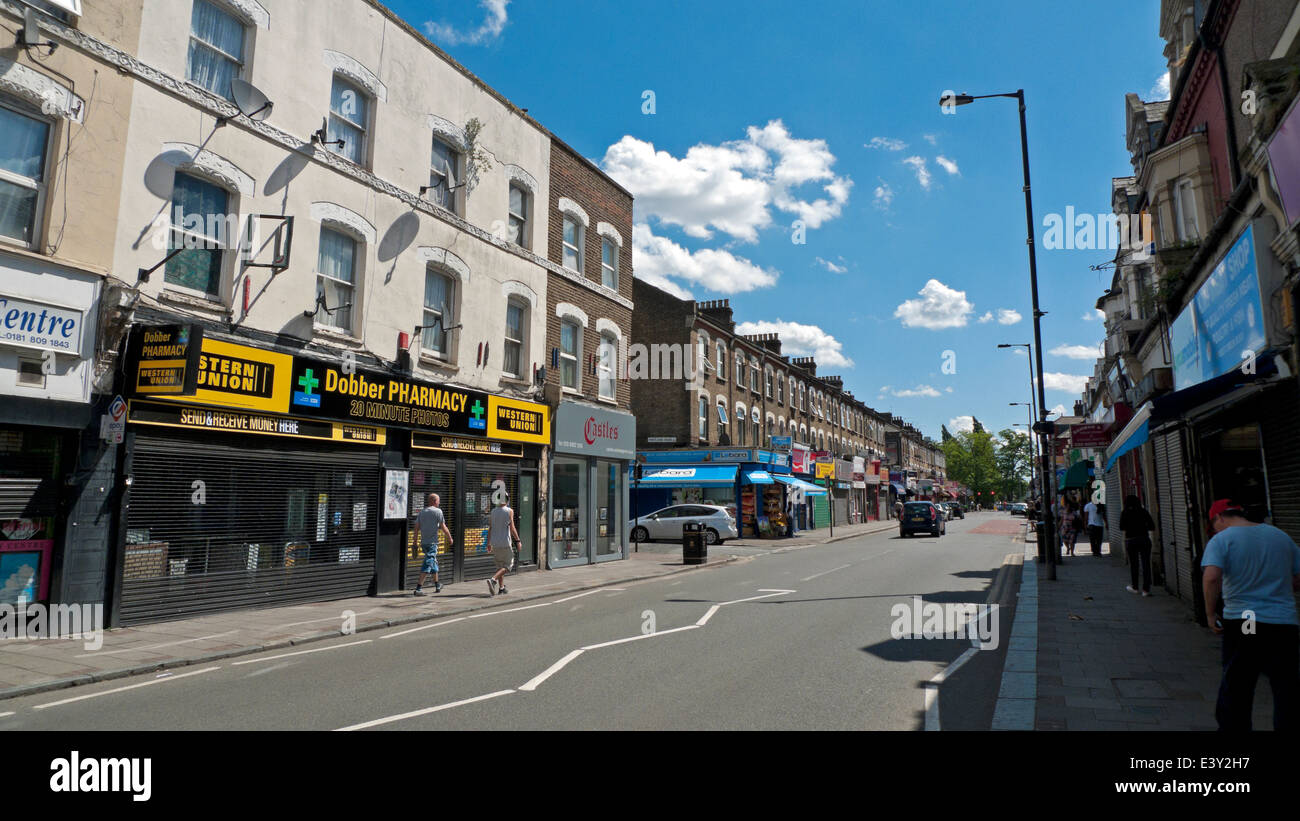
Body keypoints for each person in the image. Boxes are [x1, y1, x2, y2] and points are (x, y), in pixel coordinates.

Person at [1202, 499, 1300, 731]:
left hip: (1247, 620)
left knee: (1239, 683)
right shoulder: (1280, 536)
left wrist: (1209, 613)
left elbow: (1212, 577)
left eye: (1213, 525)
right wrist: (1278, 588)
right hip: (1283, 622)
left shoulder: (1222, 540)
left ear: (1219, 518)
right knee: (1285, 687)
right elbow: (1297, 576)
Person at [412, 493, 453, 596]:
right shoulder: (438, 511)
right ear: (435, 501)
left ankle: (437, 584)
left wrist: (415, 542)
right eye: (438, 501)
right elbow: (443, 527)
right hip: (432, 543)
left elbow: (416, 527)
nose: (439, 503)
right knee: (428, 563)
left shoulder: (422, 512)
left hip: (424, 543)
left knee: (433, 563)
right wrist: (450, 537)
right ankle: (418, 588)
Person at [486, 492, 522, 596]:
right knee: (508, 565)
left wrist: (488, 543)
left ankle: (501, 588)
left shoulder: (493, 512)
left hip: (495, 543)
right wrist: (518, 540)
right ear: (507, 500)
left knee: (500, 566)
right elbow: (512, 528)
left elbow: (490, 528)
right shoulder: (509, 511)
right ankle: (493, 580)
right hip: (505, 543)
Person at [1119, 495, 1155, 595]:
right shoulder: (1143, 512)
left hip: (1131, 541)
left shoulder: (1125, 513)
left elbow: (1121, 527)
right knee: (1146, 564)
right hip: (1144, 539)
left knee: (1134, 565)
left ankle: (1135, 587)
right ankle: (1146, 590)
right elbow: (1152, 526)